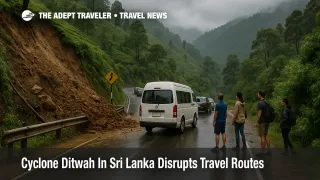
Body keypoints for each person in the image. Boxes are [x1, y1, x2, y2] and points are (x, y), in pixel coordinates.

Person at [256, 90, 271, 156]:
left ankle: (262, 152)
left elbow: (259, 113)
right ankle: (269, 151)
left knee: (262, 136)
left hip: (262, 122)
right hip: (267, 121)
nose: (257, 95)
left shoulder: (260, 103)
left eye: (258, 94)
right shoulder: (267, 102)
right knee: (265, 135)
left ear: (260, 95)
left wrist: (258, 121)